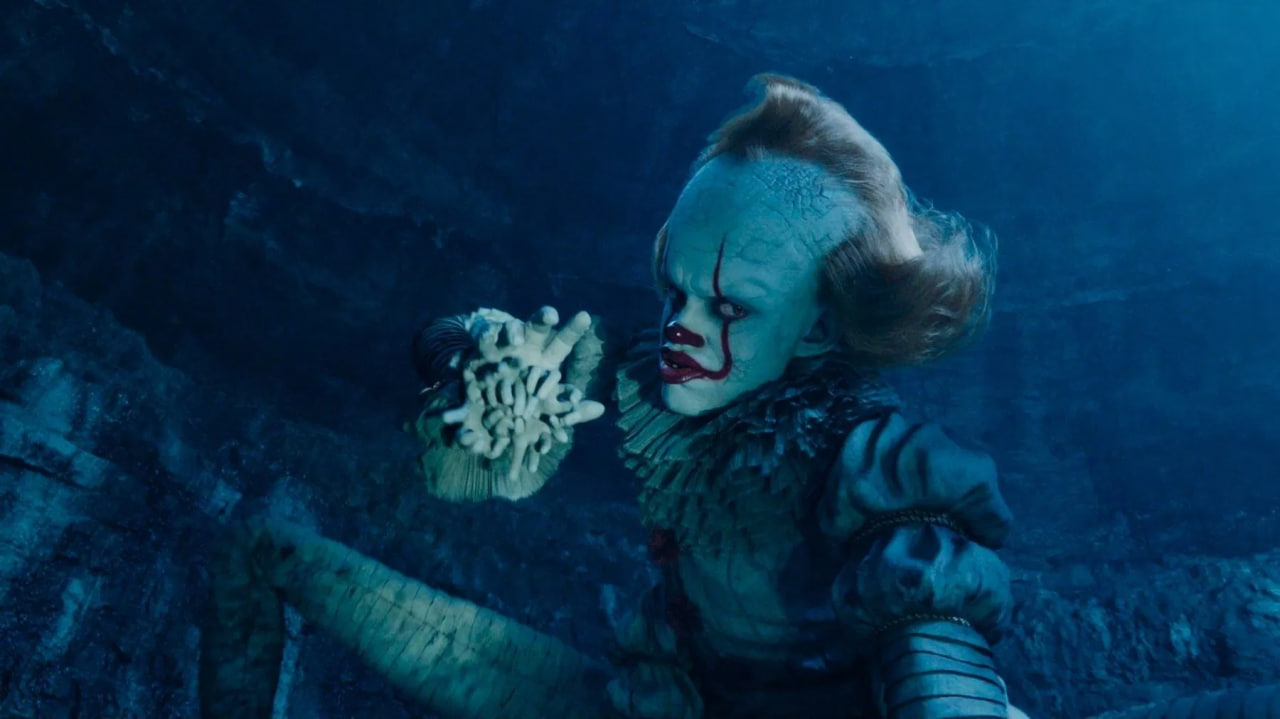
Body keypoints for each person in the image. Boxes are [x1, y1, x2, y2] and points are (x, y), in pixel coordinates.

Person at [200, 74, 1026, 719]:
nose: (682, 326)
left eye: (730, 307)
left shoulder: (878, 463)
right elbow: (457, 340)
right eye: (675, 290)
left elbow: (941, 658)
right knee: (262, 549)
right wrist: (480, 366)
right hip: (649, 704)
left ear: (817, 327)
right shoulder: (641, 374)